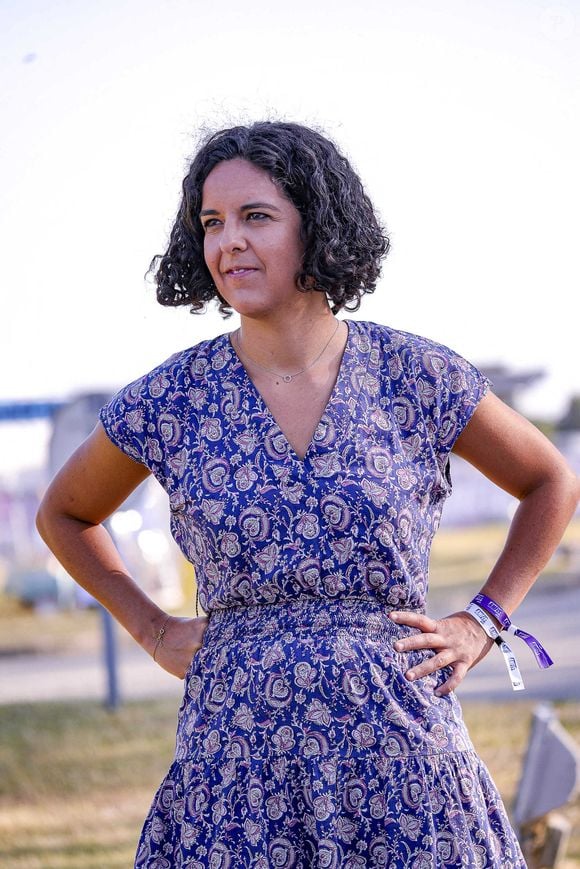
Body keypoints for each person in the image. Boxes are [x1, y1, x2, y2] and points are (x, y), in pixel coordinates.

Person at [36, 121, 579, 868]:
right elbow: (64, 512)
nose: (228, 241)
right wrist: (152, 627)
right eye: (211, 222)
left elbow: (552, 480)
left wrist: (484, 620)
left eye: (256, 216)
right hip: (235, 768)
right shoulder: (171, 397)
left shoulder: (414, 374)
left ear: (317, 226)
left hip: (402, 763)